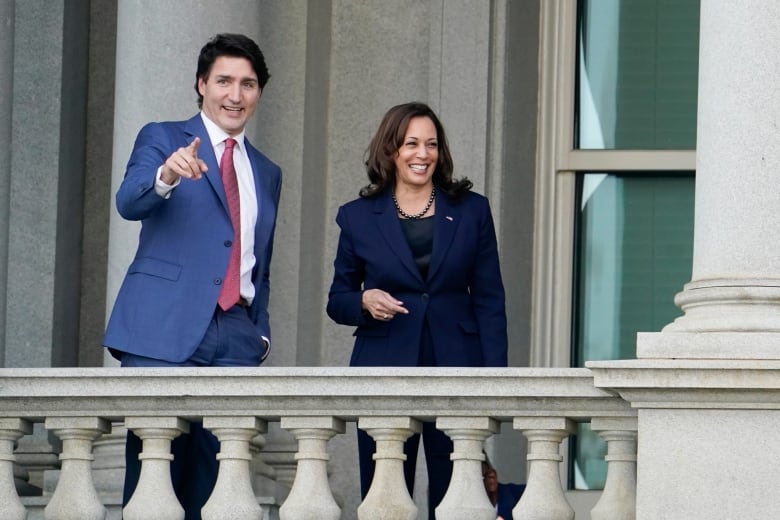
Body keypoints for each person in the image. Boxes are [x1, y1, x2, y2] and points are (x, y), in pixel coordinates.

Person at [102, 33, 282, 519]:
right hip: (161, 331)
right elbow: (128, 201)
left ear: (258, 93)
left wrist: (258, 333)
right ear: (201, 84)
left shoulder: (266, 171)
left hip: (235, 338)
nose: (235, 94)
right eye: (224, 80)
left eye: (247, 84)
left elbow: (257, 260)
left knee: (220, 487)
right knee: (153, 483)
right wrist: (166, 176)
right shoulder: (162, 138)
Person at [326, 101, 508, 518]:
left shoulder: (472, 210)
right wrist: (364, 300)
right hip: (383, 366)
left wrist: (497, 379)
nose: (422, 154)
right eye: (411, 143)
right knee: (386, 495)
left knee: (457, 496)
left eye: (431, 144)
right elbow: (337, 300)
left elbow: (489, 299)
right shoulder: (357, 218)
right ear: (390, 150)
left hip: (458, 366)